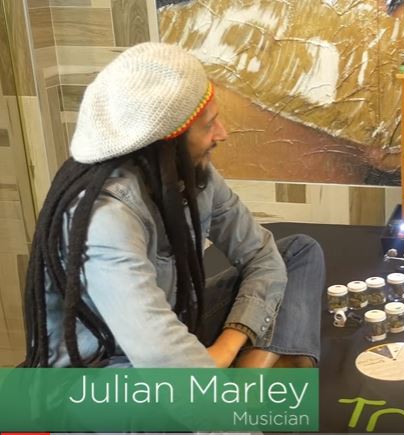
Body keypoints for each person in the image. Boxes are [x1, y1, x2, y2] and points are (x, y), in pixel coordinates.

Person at [21, 42, 324, 368]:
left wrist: (227, 346)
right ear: (168, 141)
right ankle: (261, 380)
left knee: (298, 252)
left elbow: (261, 255)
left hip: (175, 332)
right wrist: (209, 366)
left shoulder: (191, 173)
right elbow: (164, 360)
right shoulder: (106, 219)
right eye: (209, 125)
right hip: (109, 371)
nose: (222, 133)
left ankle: (252, 377)